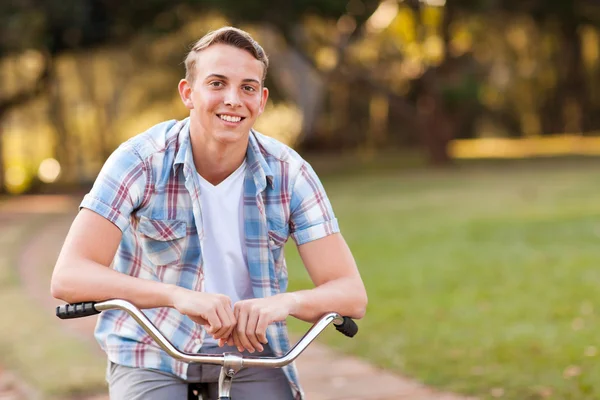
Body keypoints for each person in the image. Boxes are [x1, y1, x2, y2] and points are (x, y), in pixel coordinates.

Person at [50, 26, 367, 400]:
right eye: (217, 83)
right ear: (189, 93)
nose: (233, 99)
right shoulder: (139, 161)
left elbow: (351, 294)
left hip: (250, 354)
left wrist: (285, 303)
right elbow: (69, 275)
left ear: (261, 100)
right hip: (151, 350)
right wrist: (175, 295)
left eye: (247, 87)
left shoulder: (289, 173)